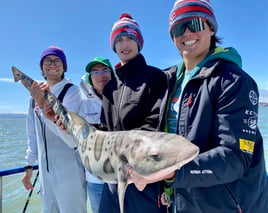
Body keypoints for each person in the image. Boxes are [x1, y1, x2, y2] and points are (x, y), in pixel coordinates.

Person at [128, 1, 268, 212]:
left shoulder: (233, 80)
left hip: (227, 205)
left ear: (211, 27)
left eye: (193, 23)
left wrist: (173, 172)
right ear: (172, 37)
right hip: (183, 200)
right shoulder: (168, 81)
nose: (186, 33)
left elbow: (236, 157)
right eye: (178, 28)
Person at [99, 13, 168, 213]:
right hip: (113, 180)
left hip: (144, 179)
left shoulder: (156, 77)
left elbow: (154, 124)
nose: (124, 44)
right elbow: (104, 130)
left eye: (130, 37)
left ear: (139, 42)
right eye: (119, 40)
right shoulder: (110, 86)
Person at [21, 46, 87, 213]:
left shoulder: (72, 91)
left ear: (64, 67)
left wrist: (44, 106)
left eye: (58, 61)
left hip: (70, 170)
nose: (53, 64)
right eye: (47, 60)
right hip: (45, 172)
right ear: (41, 66)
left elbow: (72, 139)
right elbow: (32, 133)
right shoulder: (34, 95)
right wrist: (29, 166)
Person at [79, 57, 115, 213]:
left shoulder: (123, 99)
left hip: (122, 177)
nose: (101, 75)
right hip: (95, 179)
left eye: (105, 70)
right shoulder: (83, 105)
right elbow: (79, 140)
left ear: (112, 74)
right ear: (90, 78)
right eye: (95, 71)